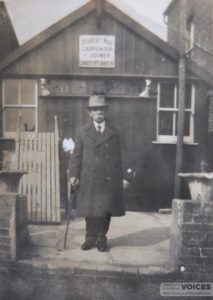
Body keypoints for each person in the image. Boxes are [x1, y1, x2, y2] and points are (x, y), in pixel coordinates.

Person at [69, 94, 128, 252]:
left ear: (105, 111)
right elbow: (77, 155)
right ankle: (90, 238)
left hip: (110, 177)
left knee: (105, 210)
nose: (99, 112)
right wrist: (73, 175)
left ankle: (102, 238)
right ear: (90, 113)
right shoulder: (82, 131)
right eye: (95, 109)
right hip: (89, 177)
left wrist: (126, 176)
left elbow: (124, 154)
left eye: (101, 109)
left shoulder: (116, 131)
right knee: (90, 209)